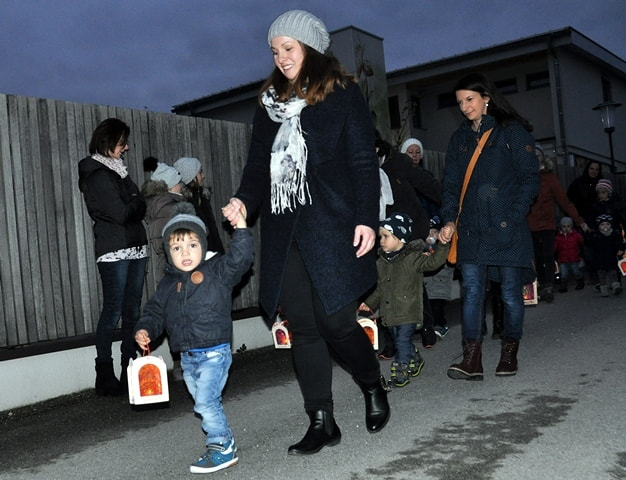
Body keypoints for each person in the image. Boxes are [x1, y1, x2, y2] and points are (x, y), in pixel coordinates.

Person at [221, 9, 390, 456]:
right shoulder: (269, 105)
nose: (281, 57)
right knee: (304, 327)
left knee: (336, 322)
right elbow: (257, 167)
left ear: (310, 48)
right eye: (274, 51)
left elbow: (362, 162)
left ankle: (372, 383)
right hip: (285, 228)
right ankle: (321, 420)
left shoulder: (342, 94)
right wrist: (243, 201)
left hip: (334, 224)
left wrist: (366, 219)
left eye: (288, 48)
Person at [134, 204, 253, 474]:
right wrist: (145, 330)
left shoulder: (217, 271)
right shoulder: (168, 284)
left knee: (206, 402)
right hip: (187, 358)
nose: (185, 253)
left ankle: (221, 445)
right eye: (177, 248)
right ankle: (224, 439)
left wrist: (241, 228)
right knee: (203, 401)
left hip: (215, 352)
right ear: (169, 253)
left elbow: (240, 259)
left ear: (203, 246)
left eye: (192, 245)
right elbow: (155, 313)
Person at [438, 72, 540, 380]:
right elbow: (451, 185)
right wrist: (449, 219)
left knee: (509, 293)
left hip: (506, 227)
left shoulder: (512, 132)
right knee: (472, 292)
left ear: (486, 98)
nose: (464, 107)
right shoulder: (459, 139)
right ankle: (472, 359)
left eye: (470, 99)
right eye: (460, 102)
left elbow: (530, 180)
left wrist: (514, 216)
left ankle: (510, 350)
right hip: (471, 229)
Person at [77, 118, 148, 396]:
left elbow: (134, 205)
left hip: (135, 246)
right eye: (121, 143)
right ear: (107, 141)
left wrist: (136, 202)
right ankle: (104, 374)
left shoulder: (119, 171)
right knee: (113, 311)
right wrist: (137, 201)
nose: (126, 148)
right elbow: (122, 212)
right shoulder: (96, 173)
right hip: (114, 250)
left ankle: (129, 369)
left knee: (132, 311)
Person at [360, 213, 449, 387]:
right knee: (400, 341)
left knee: (402, 341)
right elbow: (381, 289)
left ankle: (400, 371)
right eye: (380, 237)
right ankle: (415, 358)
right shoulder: (381, 262)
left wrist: (443, 245)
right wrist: (369, 304)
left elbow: (434, 262)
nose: (381, 241)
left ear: (400, 238)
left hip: (409, 311)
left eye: (386, 236)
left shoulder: (412, 258)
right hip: (390, 312)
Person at [527, 144, 588, 302]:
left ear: (542, 158)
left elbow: (563, 200)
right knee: (537, 256)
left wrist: (579, 220)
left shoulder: (549, 177)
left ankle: (547, 286)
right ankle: (540, 284)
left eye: (538, 155)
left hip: (547, 223)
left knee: (547, 255)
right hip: (530, 224)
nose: (535, 158)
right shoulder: (524, 177)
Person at [142, 162, 185, 283]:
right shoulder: (172, 208)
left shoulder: (158, 206)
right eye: (178, 182)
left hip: (165, 265)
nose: (181, 185)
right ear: (170, 187)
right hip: (177, 266)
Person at [174, 156, 224, 254]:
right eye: (200, 172)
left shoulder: (201, 198)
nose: (203, 176)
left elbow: (213, 232)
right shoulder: (186, 204)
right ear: (191, 177)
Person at [567, 161, 603, 284]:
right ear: (587, 169)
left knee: (599, 247)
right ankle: (593, 273)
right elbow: (569, 202)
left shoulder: (601, 183)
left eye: (596, 169)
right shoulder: (578, 183)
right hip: (582, 220)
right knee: (586, 247)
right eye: (592, 168)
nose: (594, 171)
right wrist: (576, 219)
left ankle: (600, 272)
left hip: (599, 219)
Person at [587, 214, 624, 296]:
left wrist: (620, 249)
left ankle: (616, 286)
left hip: (611, 257)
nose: (605, 226)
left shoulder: (614, 234)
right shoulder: (596, 235)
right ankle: (603, 289)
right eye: (602, 224)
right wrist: (589, 234)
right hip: (599, 259)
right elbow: (590, 243)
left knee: (613, 272)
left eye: (607, 224)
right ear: (598, 226)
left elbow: (619, 243)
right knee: (601, 275)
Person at [553, 217, 585, 292]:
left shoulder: (575, 235)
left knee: (576, 272)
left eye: (568, 226)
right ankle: (563, 286)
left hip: (574, 258)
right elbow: (555, 247)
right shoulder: (558, 237)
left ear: (571, 227)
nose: (566, 228)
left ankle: (580, 281)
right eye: (564, 226)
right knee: (564, 274)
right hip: (563, 259)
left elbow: (581, 241)